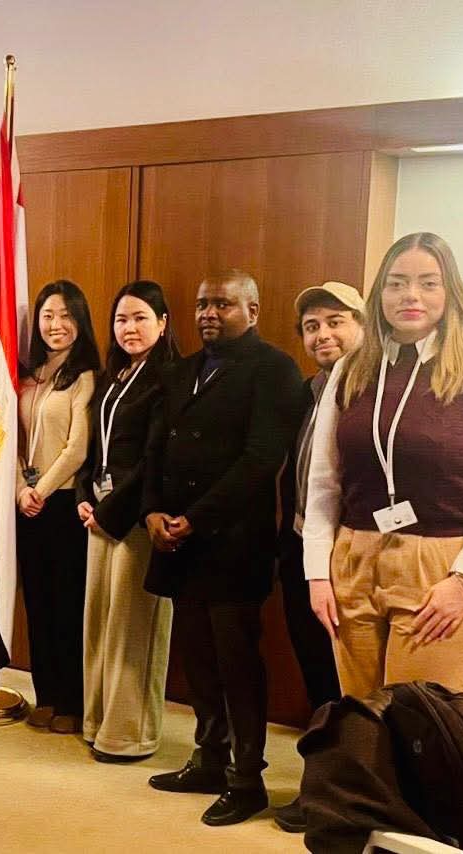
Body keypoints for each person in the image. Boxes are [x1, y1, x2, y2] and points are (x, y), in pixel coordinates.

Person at [303, 232, 463, 700]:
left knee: (424, 724)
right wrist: (318, 574)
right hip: (354, 560)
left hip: (442, 566)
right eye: (397, 283)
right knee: (364, 721)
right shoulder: (350, 369)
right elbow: (323, 483)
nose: (411, 295)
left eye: (428, 283)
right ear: (379, 294)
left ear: (450, 293)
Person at [143, 269, 304, 826]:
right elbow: (155, 450)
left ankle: (246, 778)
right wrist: (151, 511)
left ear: (252, 311)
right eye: (202, 304)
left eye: (222, 304)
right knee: (198, 659)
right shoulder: (181, 369)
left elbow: (261, 460)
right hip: (177, 543)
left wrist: (195, 518)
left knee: (237, 664)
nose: (208, 313)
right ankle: (208, 759)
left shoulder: (275, 369)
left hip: (233, 544)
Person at [273, 280, 365, 833]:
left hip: (352, 555)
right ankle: (321, 788)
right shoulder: (309, 392)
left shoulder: (374, 390)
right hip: (300, 546)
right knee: (317, 677)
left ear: (363, 326)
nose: (322, 335)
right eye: (311, 327)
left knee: (349, 684)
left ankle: (346, 800)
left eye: (335, 322)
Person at [75, 280, 178, 762]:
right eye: (121, 319)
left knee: (134, 627)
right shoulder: (114, 375)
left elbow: (156, 457)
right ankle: (98, 722)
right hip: (99, 515)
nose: (129, 328)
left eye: (140, 318)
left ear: (162, 322)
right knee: (101, 621)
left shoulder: (169, 378)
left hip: (137, 518)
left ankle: (129, 735)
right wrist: (84, 497)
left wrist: (109, 512)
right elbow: (93, 449)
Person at [17, 280, 99, 735]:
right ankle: (46, 693)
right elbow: (7, 437)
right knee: (38, 603)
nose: (56, 324)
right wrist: (19, 489)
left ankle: (71, 700)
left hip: (63, 503)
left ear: (80, 321)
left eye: (66, 315)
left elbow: (77, 448)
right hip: (25, 504)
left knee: (67, 605)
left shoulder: (85, 376)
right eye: (48, 315)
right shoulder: (29, 373)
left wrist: (41, 491)